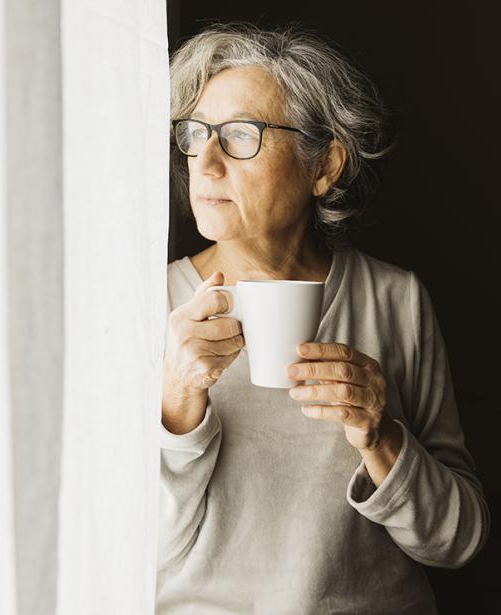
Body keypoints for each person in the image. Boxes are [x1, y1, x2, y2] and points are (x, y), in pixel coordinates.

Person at [158, 22, 490, 613]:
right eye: (195, 133)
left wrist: (380, 435)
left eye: (239, 136)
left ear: (324, 166)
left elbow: (457, 542)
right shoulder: (153, 305)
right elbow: (125, 551)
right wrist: (179, 409)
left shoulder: (397, 300)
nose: (203, 163)